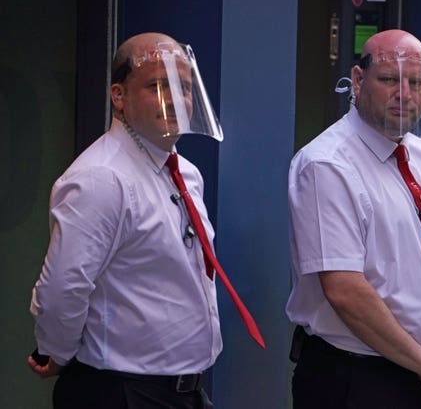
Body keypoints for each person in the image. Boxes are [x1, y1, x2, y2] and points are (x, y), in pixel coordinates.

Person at [27, 32, 262, 409]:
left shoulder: (184, 172)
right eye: (157, 86)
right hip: (121, 392)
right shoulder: (101, 178)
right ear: (119, 97)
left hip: (180, 391)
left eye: (184, 88)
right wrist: (56, 352)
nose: (175, 100)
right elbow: (62, 289)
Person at [286, 29, 421, 409]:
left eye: (417, 83)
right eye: (390, 79)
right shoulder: (327, 165)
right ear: (358, 81)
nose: (405, 94)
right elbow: (344, 289)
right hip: (355, 379)